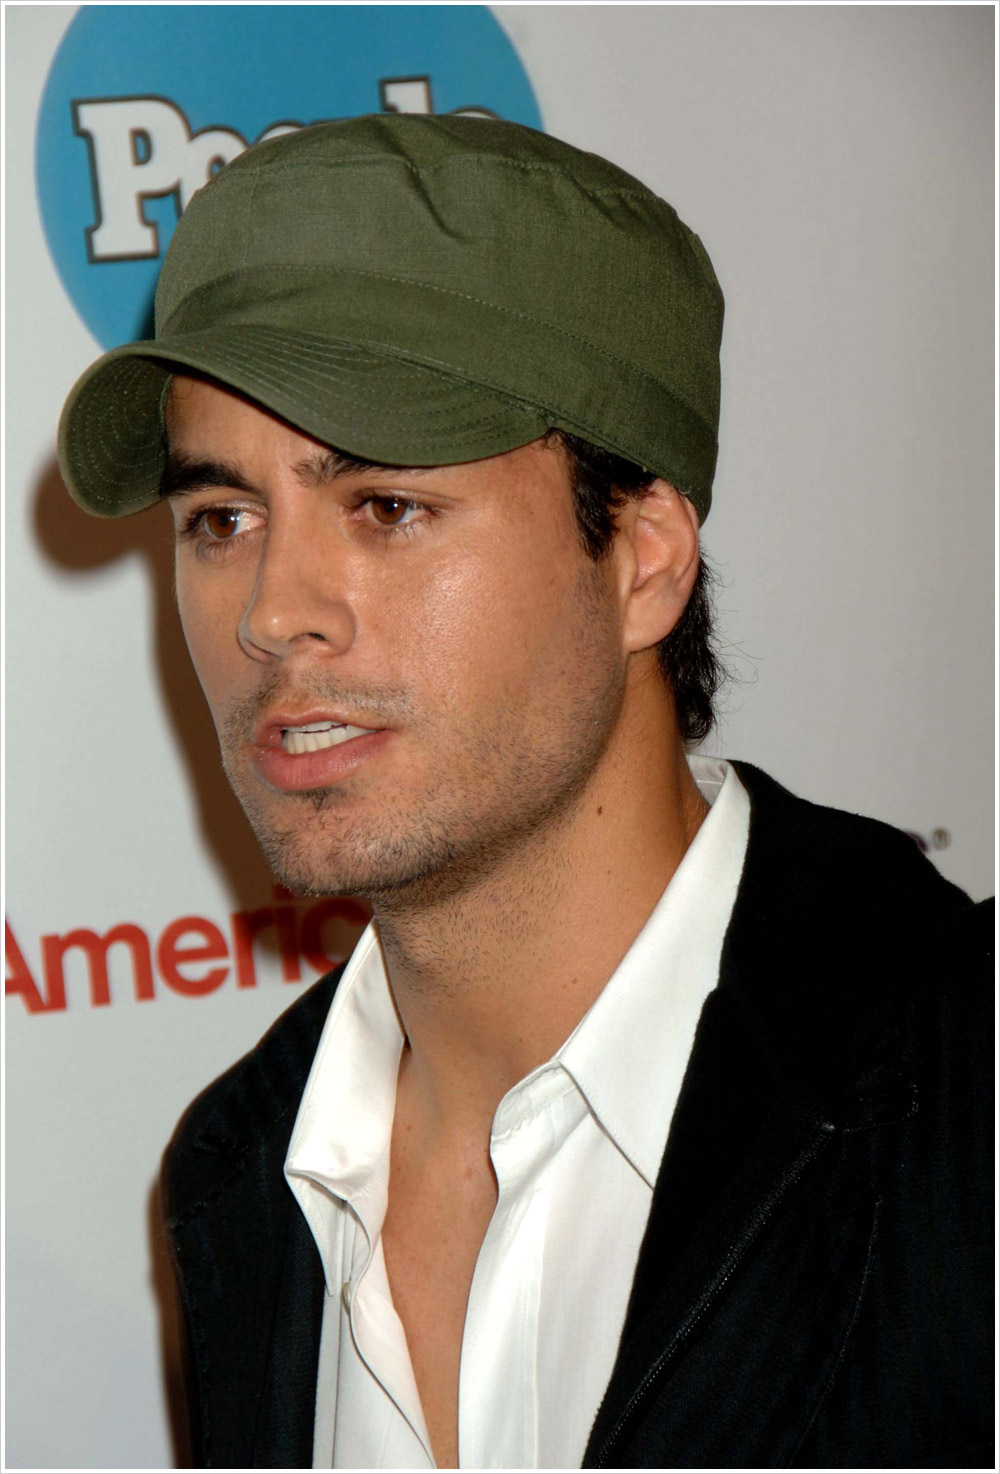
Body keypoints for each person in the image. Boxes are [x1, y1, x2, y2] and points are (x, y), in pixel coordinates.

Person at [57, 115, 991, 1470]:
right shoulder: (240, 1171)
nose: (270, 612)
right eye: (222, 519)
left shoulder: (962, 1092)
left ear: (644, 559)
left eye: (385, 506)